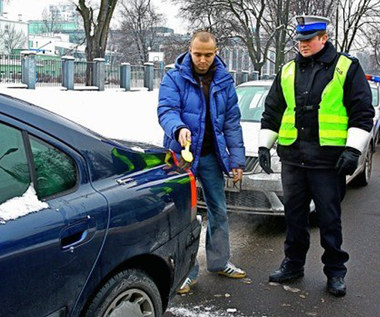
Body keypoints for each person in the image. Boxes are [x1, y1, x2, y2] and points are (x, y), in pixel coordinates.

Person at [258, 15, 374, 297]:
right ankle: (293, 264)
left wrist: (352, 150)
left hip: (328, 161)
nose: (303, 45)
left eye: (308, 40)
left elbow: (362, 112)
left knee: (329, 219)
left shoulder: (347, 67)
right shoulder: (287, 70)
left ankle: (335, 271)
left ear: (323, 38)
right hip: (293, 158)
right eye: (299, 41)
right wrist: (264, 144)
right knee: (294, 218)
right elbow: (273, 110)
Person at [158, 30, 246, 294]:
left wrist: (236, 160)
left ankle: (219, 262)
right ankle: (187, 272)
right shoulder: (174, 77)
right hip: (181, 158)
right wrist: (178, 129)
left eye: (208, 55)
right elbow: (166, 110)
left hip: (210, 158)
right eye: (198, 54)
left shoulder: (224, 81)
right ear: (189, 50)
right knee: (186, 215)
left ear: (216, 52)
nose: (203, 60)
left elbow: (231, 122)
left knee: (218, 211)